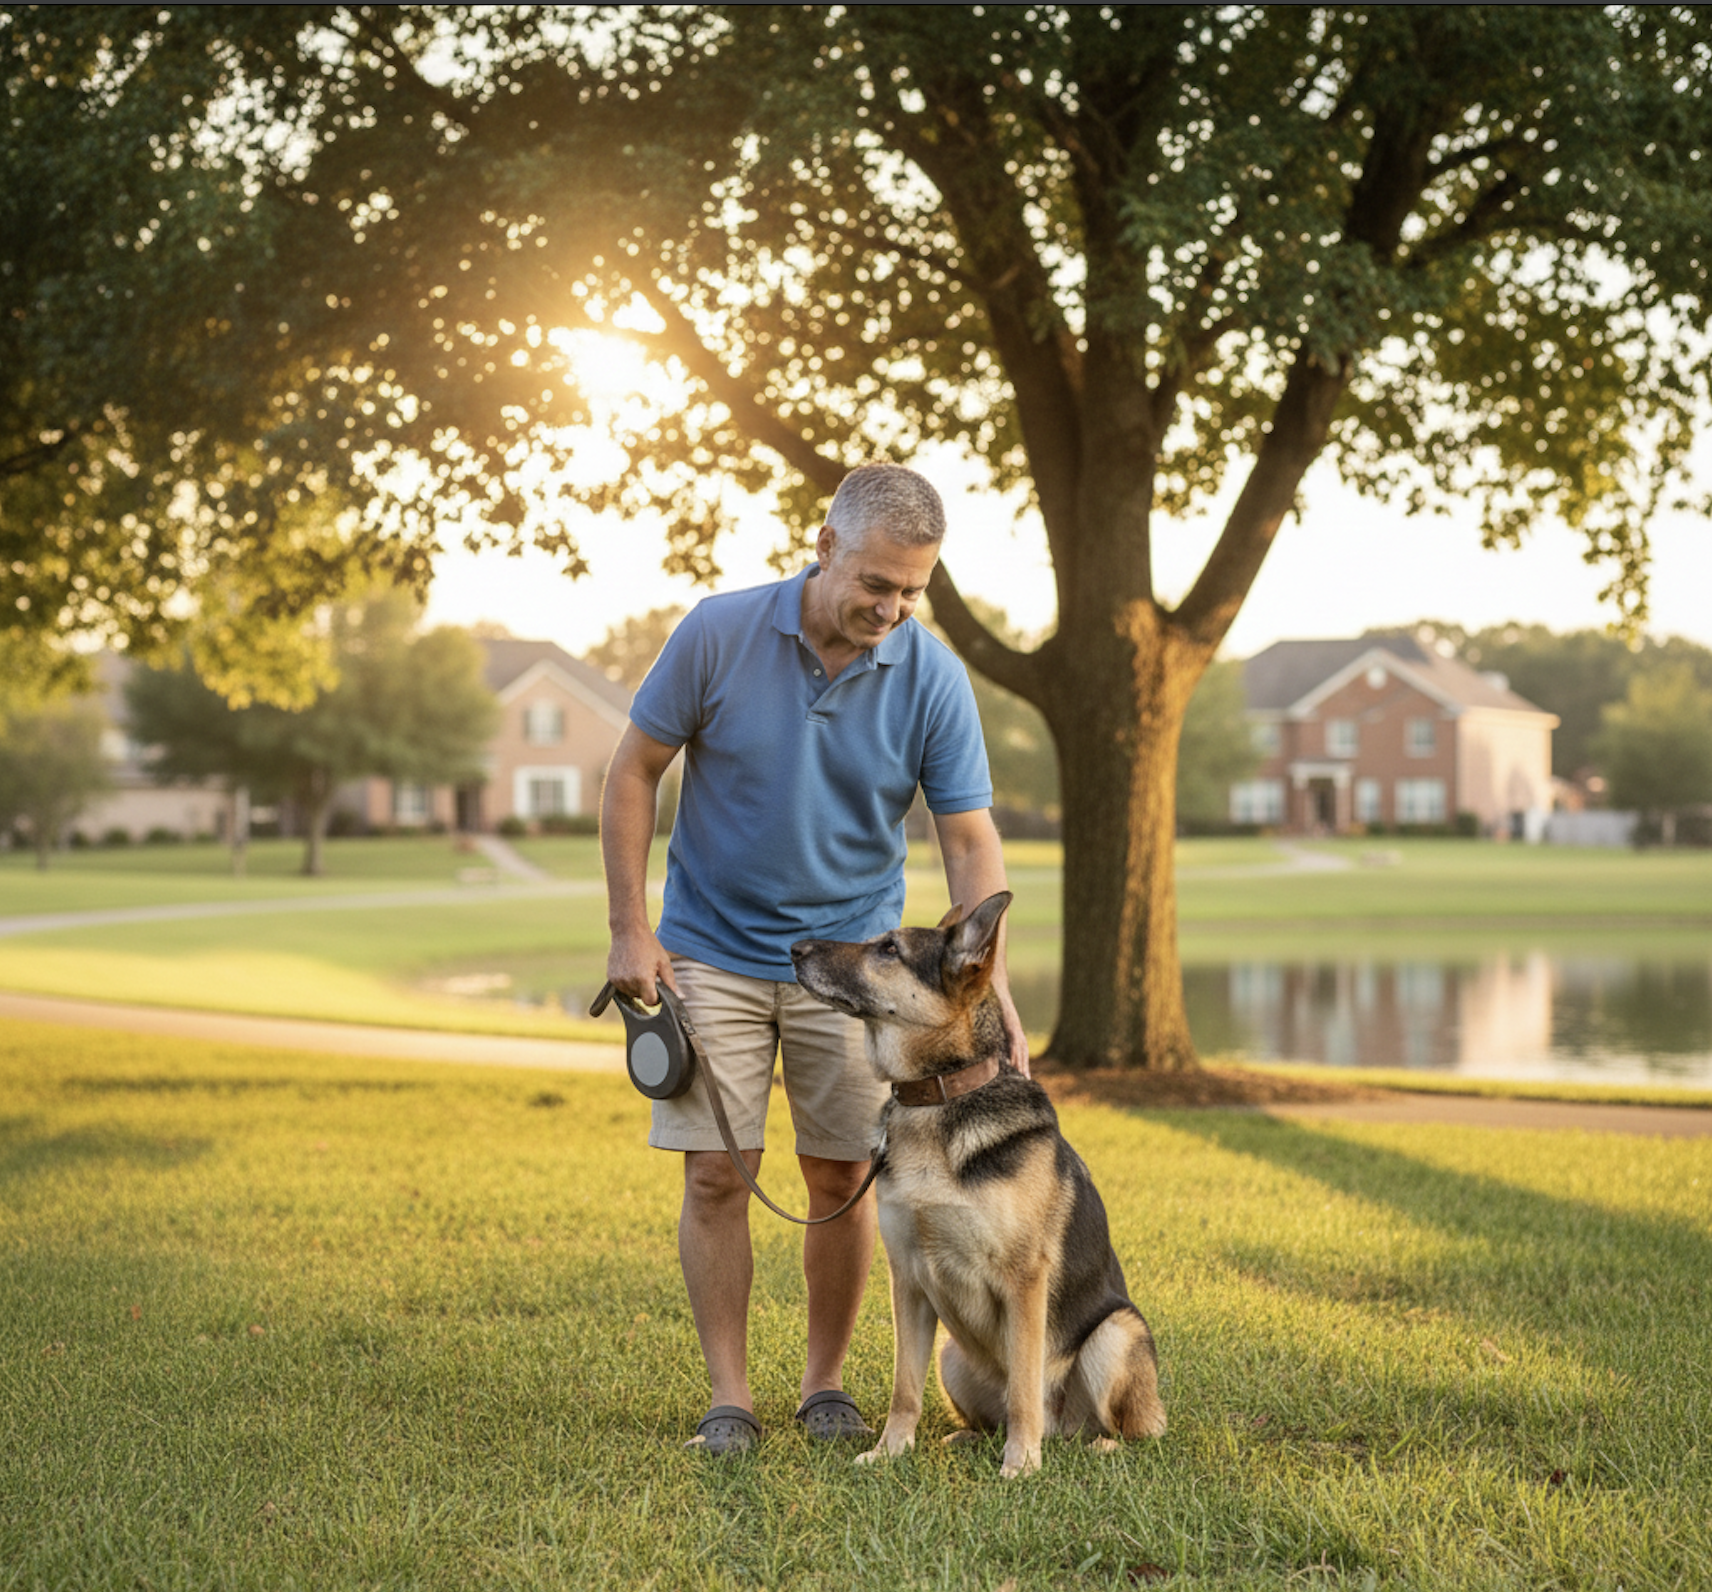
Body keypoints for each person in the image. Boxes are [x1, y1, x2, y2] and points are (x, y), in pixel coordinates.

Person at [600, 461, 1029, 1457]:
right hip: (710, 948)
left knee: (840, 1173)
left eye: (912, 590)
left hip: (855, 968)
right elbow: (633, 771)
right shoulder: (718, 632)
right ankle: (729, 1398)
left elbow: (968, 837)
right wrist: (629, 926)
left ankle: (825, 1385)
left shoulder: (931, 676)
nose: (891, 608)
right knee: (717, 1174)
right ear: (825, 545)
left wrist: (991, 984)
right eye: (875, 583)